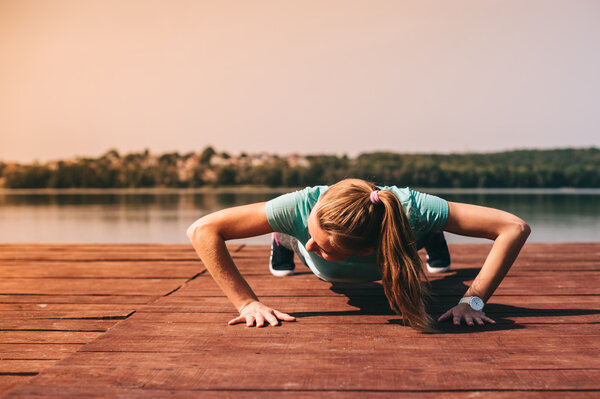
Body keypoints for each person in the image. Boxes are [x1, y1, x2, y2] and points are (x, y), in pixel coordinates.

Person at [186, 178, 531, 332]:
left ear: (367, 251)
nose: (313, 244)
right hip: (307, 246)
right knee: (299, 243)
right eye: (314, 232)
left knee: (425, 228)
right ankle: (282, 238)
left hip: (407, 237)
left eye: (324, 245)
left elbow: (513, 227)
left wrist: (473, 301)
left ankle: (433, 234)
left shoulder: (413, 209)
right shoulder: (300, 206)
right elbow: (202, 230)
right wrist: (246, 303)